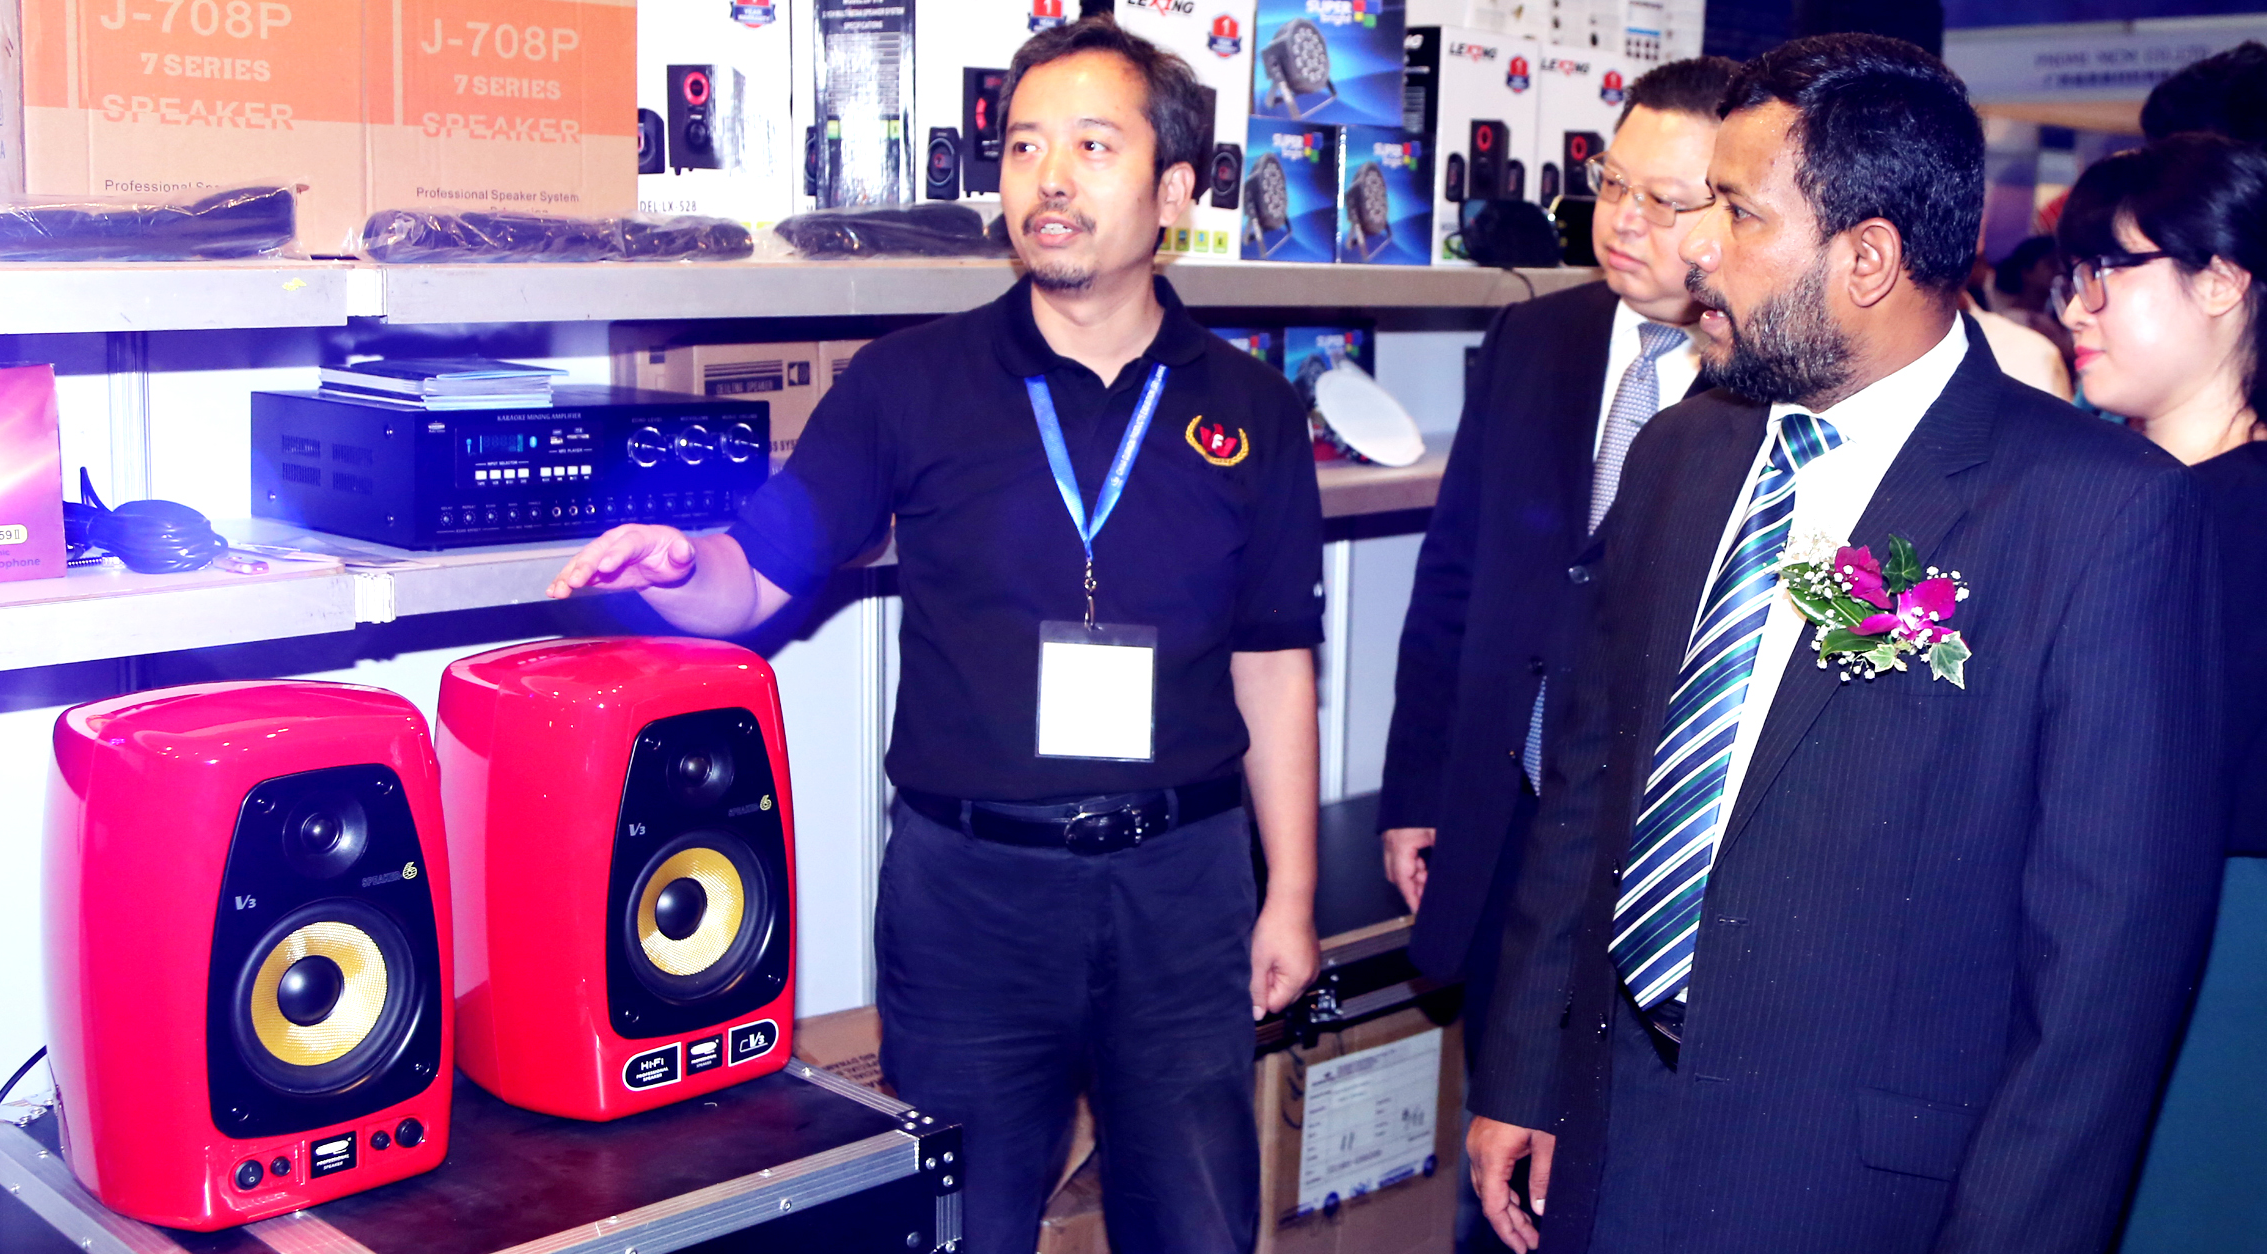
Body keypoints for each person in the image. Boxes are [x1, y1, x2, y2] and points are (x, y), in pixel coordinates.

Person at [546, 17, 1324, 1254]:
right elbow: (758, 574)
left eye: (1091, 146)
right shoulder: (907, 382)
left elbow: (1274, 662)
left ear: (1175, 190)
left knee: (1196, 1225)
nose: (1048, 179)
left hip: (1183, 886)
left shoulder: (1251, 409)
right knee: (960, 1227)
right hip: (970, 894)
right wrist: (680, 571)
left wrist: (1289, 896)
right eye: (1023, 147)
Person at [1465, 34, 2223, 1254]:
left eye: (1737, 212)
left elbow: (2102, 968)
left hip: (1862, 1184)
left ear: (1865, 257)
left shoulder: (2093, 513)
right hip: (1613, 1133)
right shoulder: (1678, 455)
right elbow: (1589, 787)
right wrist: (1523, 1067)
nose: (1698, 249)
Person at [1373, 58, 1731, 1252]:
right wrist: (1417, 791)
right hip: (1510, 810)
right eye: (1610, 185)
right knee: (1502, 1141)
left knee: (1622, 1164)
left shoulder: (1759, 379)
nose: (1621, 220)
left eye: (1665, 201)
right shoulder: (1534, 337)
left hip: (1660, 836)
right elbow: (1453, 582)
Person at [2054, 132, 2267, 1254]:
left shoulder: (2238, 514)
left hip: (2221, 957)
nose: (2074, 308)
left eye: (2107, 271)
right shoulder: (2091, 485)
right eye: (2069, 275)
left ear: (2220, 282)